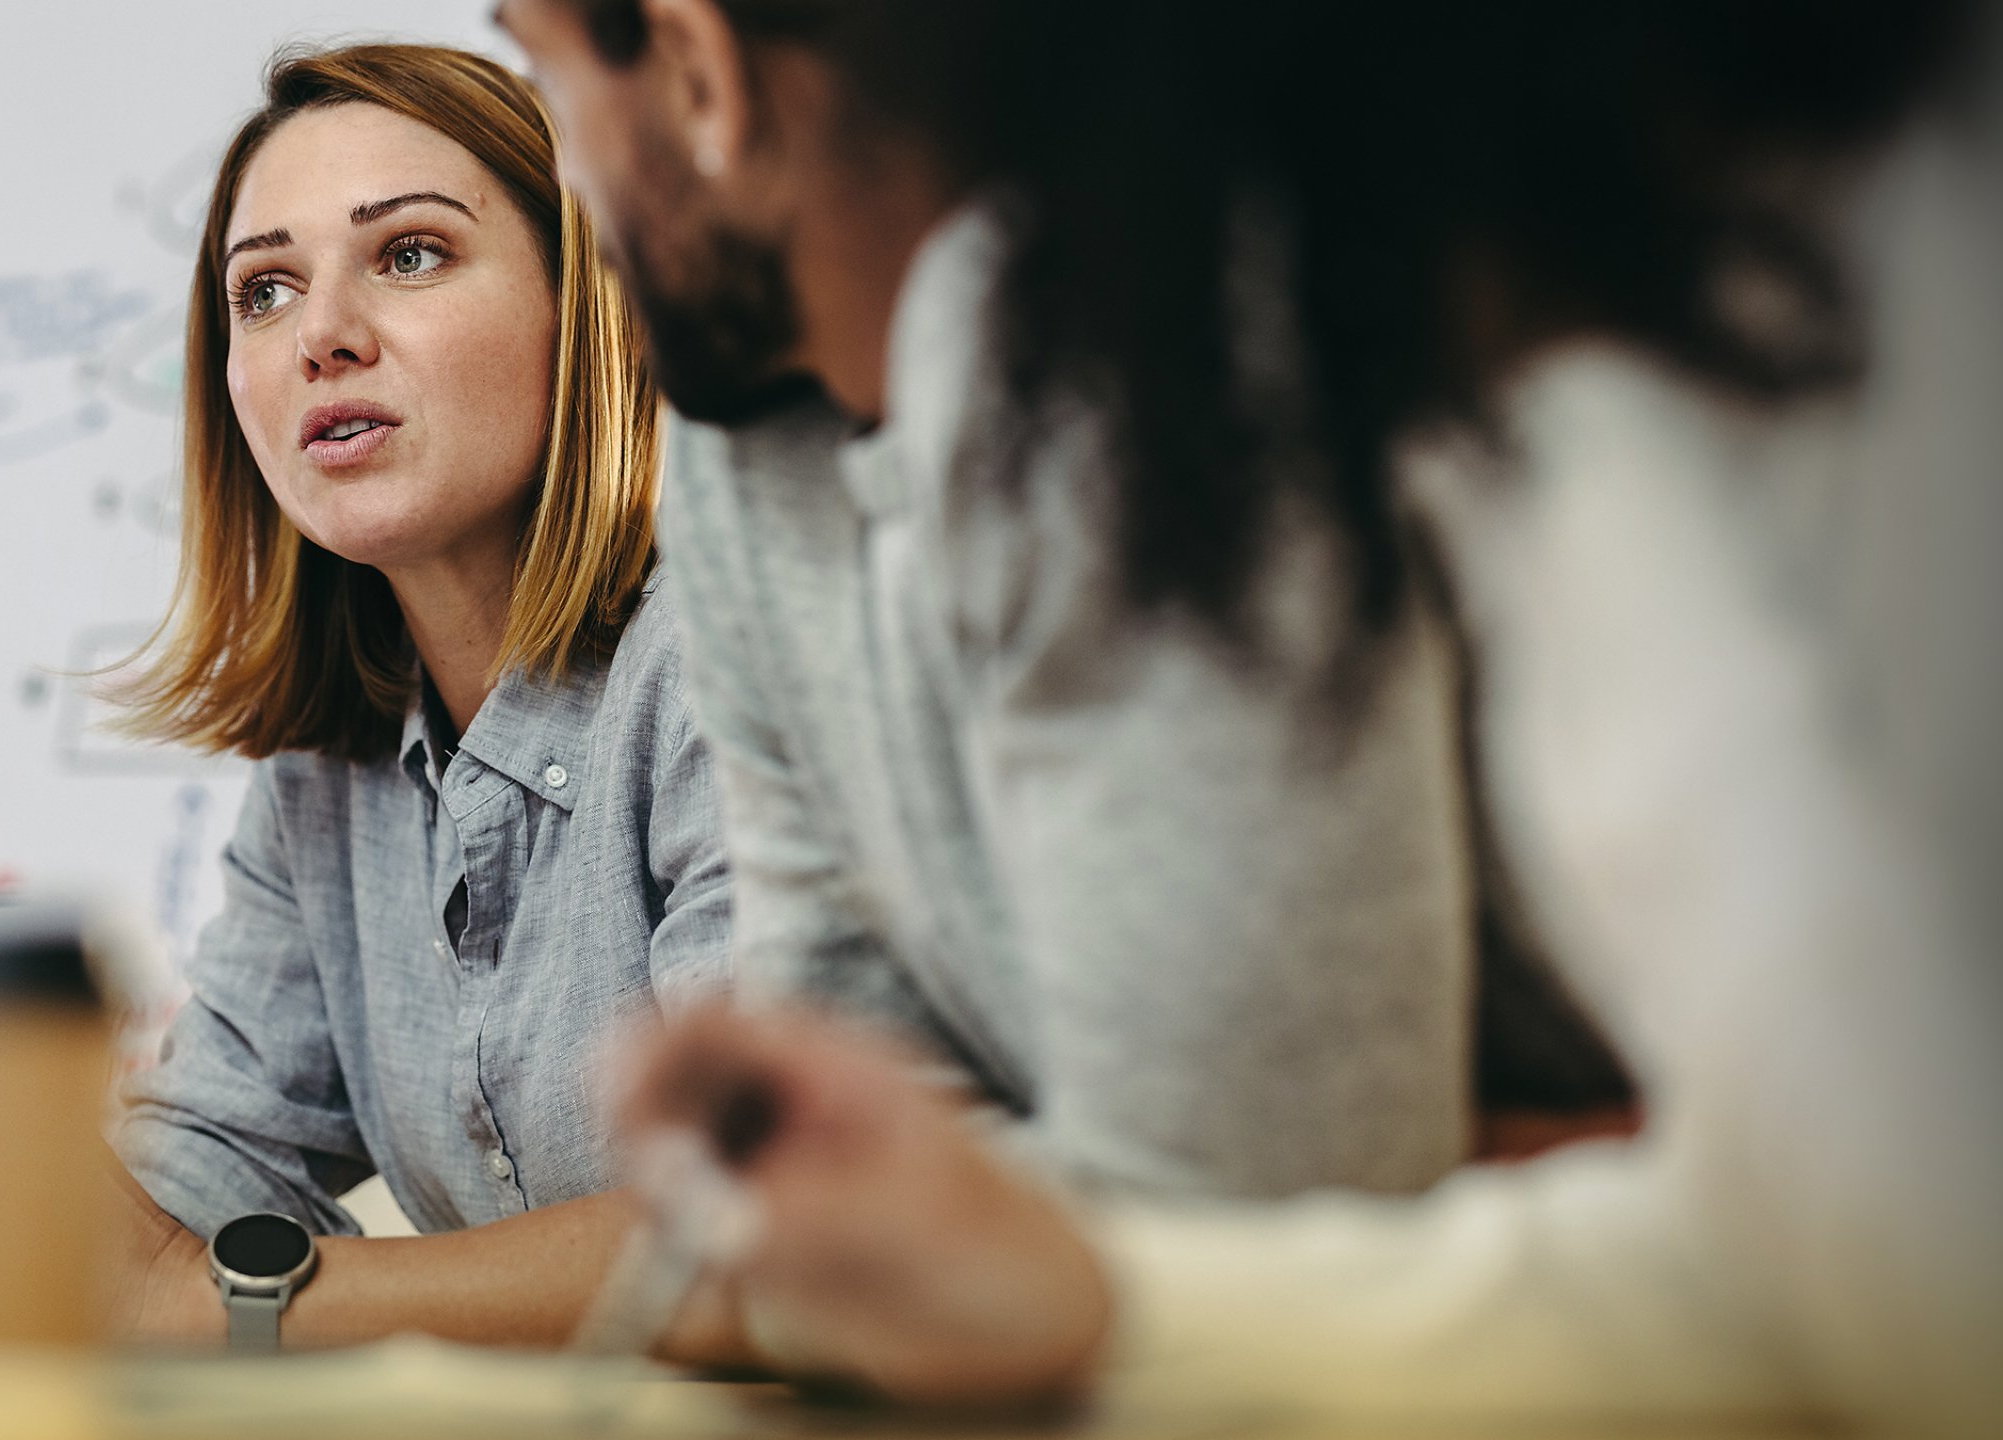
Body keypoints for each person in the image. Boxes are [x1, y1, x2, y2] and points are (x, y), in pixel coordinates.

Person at [533, 0, 2003, 1428]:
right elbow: (1840, 1253)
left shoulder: (1835, 301)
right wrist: (1104, 1295)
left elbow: (1298, 1169)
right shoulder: (1535, 376)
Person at [498, 0, 1641, 1221]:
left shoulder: (1147, 354)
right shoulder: (738, 456)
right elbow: (838, 1170)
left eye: (547, 78)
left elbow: (1267, 1200)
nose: (569, 175)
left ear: (695, 73)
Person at [0, 42, 741, 1352]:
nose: (322, 335)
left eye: (412, 253)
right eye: (263, 291)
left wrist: (201, 1297)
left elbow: (774, 1223)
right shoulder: (333, 769)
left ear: (588, 303)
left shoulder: (729, 670)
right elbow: (216, 1166)